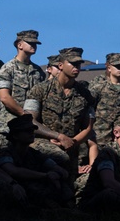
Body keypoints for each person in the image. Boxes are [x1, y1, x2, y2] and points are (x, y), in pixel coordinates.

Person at [23, 47, 96, 180]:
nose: (77, 67)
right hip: (43, 147)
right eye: (73, 64)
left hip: (71, 148)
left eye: (79, 64)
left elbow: (88, 128)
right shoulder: (40, 89)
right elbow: (30, 120)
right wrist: (58, 136)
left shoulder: (85, 94)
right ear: (61, 65)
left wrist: (72, 142)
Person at [0, 30, 46, 153]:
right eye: (30, 43)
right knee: (4, 163)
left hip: (30, 130)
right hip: (9, 126)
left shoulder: (38, 72)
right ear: (20, 45)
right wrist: (24, 115)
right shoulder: (8, 68)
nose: (34, 46)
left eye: (35, 44)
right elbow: (5, 97)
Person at [79, 112, 120, 214]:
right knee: (110, 194)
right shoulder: (108, 153)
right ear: (116, 133)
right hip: (95, 200)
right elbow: (109, 182)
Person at [88, 52, 120, 145]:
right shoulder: (99, 87)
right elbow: (89, 110)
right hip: (101, 136)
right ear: (109, 68)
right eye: (117, 66)